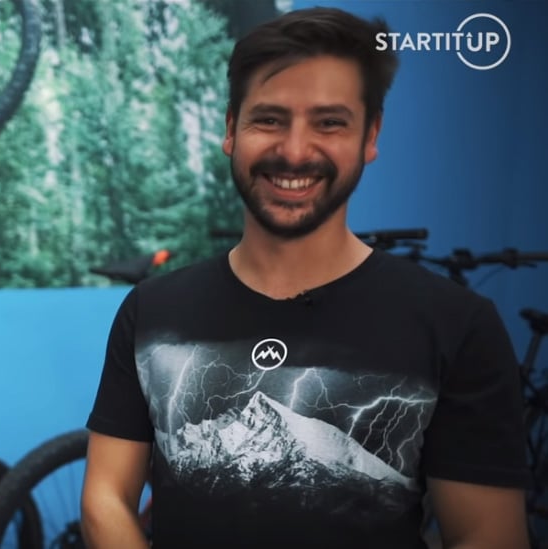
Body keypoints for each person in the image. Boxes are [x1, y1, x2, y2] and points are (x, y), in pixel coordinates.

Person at [81, 6, 529, 549]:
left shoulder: (457, 324)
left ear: (370, 135)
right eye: (269, 119)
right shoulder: (152, 311)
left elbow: (487, 533)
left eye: (329, 122)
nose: (294, 151)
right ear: (231, 129)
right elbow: (106, 496)